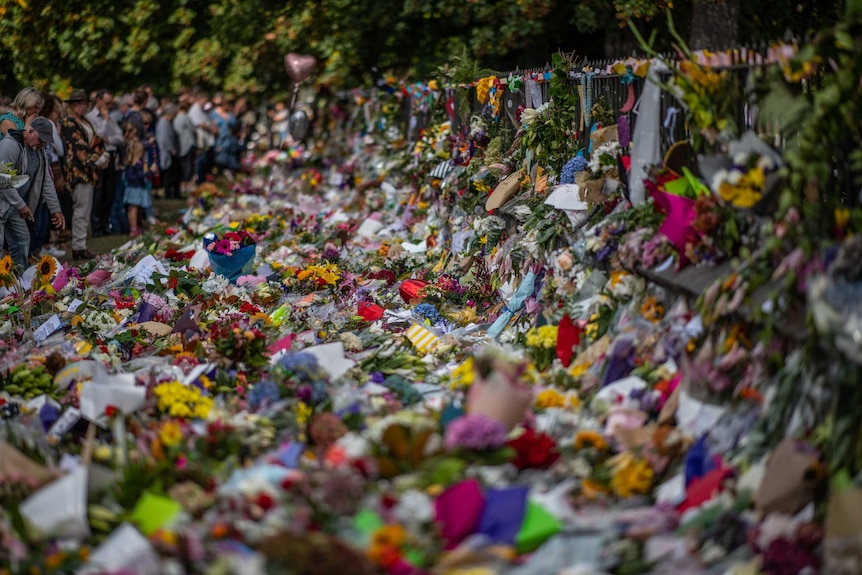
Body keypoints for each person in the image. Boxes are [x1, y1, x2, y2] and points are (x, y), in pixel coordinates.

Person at [0, 118, 65, 271]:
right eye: (42, 140)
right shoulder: (10, 145)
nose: (44, 144)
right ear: (30, 131)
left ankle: (18, 282)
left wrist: (56, 209)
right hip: (4, 203)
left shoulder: (39, 151)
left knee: (22, 240)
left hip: (14, 205)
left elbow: (46, 182)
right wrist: (21, 205)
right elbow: (3, 179)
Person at [61, 88, 107, 261]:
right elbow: (79, 145)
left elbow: (95, 140)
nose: (81, 107)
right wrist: (97, 158)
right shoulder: (68, 123)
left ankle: (81, 245)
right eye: (77, 104)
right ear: (71, 106)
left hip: (88, 169)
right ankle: (78, 247)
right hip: (77, 170)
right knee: (81, 208)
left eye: (83, 104)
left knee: (85, 208)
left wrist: (102, 154)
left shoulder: (85, 120)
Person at [87, 89, 124, 237]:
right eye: (107, 102)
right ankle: (96, 227)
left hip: (111, 156)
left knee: (109, 193)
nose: (109, 105)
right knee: (98, 194)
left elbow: (119, 137)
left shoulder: (111, 117)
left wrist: (108, 139)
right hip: (98, 157)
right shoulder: (90, 117)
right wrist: (105, 121)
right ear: (98, 101)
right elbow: (97, 137)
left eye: (111, 103)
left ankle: (105, 224)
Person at [121, 122, 151, 237]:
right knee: (133, 208)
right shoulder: (132, 164)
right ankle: (133, 228)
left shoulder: (137, 162)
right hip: (134, 187)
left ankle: (136, 226)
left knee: (136, 208)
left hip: (137, 186)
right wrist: (148, 173)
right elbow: (133, 176)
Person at [189, 91, 217, 184]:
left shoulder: (202, 110)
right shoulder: (195, 110)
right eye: (205, 101)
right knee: (200, 161)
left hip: (205, 140)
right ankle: (199, 180)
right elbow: (201, 124)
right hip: (200, 140)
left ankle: (203, 179)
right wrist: (211, 130)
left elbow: (208, 121)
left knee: (205, 161)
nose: (206, 103)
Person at [156, 103, 181, 199]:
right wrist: (171, 149)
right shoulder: (163, 123)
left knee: (173, 174)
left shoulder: (167, 123)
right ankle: (168, 194)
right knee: (169, 175)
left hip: (169, 152)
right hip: (167, 153)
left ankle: (173, 193)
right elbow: (164, 139)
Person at [173, 100, 196, 194]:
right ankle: (187, 184)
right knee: (189, 165)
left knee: (183, 165)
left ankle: (183, 184)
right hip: (188, 143)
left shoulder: (176, 118)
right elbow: (193, 129)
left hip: (180, 144)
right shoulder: (186, 118)